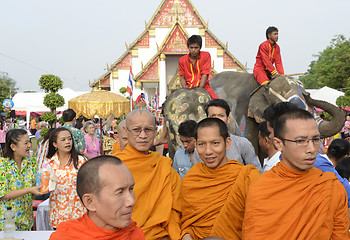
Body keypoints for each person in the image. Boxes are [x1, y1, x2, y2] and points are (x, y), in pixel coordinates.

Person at [243, 108, 350, 239]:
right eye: (300, 141)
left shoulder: (330, 186)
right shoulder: (262, 189)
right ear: (278, 143)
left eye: (316, 139)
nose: (311, 149)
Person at [181, 118, 260, 240]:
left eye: (215, 143)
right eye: (202, 144)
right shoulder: (191, 178)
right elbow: (186, 221)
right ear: (196, 145)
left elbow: (257, 221)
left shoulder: (245, 175)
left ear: (227, 143)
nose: (208, 151)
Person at [115, 109, 181, 239]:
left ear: (156, 131)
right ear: (126, 132)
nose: (143, 135)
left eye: (148, 130)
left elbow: (176, 208)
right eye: (136, 130)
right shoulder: (115, 165)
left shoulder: (163, 165)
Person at [49, 155, 145, 240]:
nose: (131, 201)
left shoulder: (134, 234)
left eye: (131, 189)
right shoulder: (66, 237)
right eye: (119, 192)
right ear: (90, 202)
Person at [192, 99, 261, 172]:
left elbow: (256, 173)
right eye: (213, 116)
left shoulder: (242, 144)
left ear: (228, 120)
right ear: (207, 119)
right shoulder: (200, 149)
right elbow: (197, 176)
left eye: (221, 116)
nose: (217, 119)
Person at [40, 127, 86, 228]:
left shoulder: (81, 161)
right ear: (55, 144)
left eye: (69, 139)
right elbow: (44, 188)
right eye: (63, 140)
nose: (67, 142)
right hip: (58, 214)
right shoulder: (49, 163)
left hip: (78, 213)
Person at [0, 129, 43, 230]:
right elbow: (2, 194)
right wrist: (29, 190)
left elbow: (35, 186)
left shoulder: (31, 162)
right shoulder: (2, 165)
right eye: (26, 143)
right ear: (13, 147)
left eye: (29, 142)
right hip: (7, 221)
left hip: (26, 219)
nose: (29, 145)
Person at [178, 35, 218, 99]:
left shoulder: (206, 56)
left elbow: (205, 74)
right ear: (188, 47)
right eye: (191, 47)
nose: (193, 50)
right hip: (188, 90)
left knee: (218, 104)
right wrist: (185, 87)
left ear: (200, 48)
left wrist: (199, 90)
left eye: (196, 48)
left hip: (204, 88)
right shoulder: (182, 60)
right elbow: (182, 76)